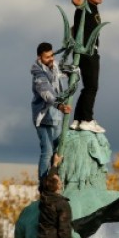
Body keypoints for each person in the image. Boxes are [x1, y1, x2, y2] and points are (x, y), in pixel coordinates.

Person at [31, 42, 72, 180]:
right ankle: (43, 185)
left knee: (58, 153)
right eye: (47, 57)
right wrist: (59, 105)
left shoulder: (54, 67)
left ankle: (56, 181)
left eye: (52, 55)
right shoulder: (39, 75)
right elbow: (47, 93)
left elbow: (69, 71)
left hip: (57, 118)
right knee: (47, 152)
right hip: (43, 118)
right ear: (39, 58)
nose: (51, 59)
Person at [70, 0, 105, 133]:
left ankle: (78, 119)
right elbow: (75, 0)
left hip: (86, 51)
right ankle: (87, 119)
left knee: (87, 88)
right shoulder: (86, 6)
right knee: (92, 87)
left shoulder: (94, 9)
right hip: (89, 51)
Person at [36, 155, 76, 238]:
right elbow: (64, 230)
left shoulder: (44, 196)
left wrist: (55, 164)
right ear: (57, 186)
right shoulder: (62, 204)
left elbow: (50, 179)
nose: (61, 181)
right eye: (59, 181)